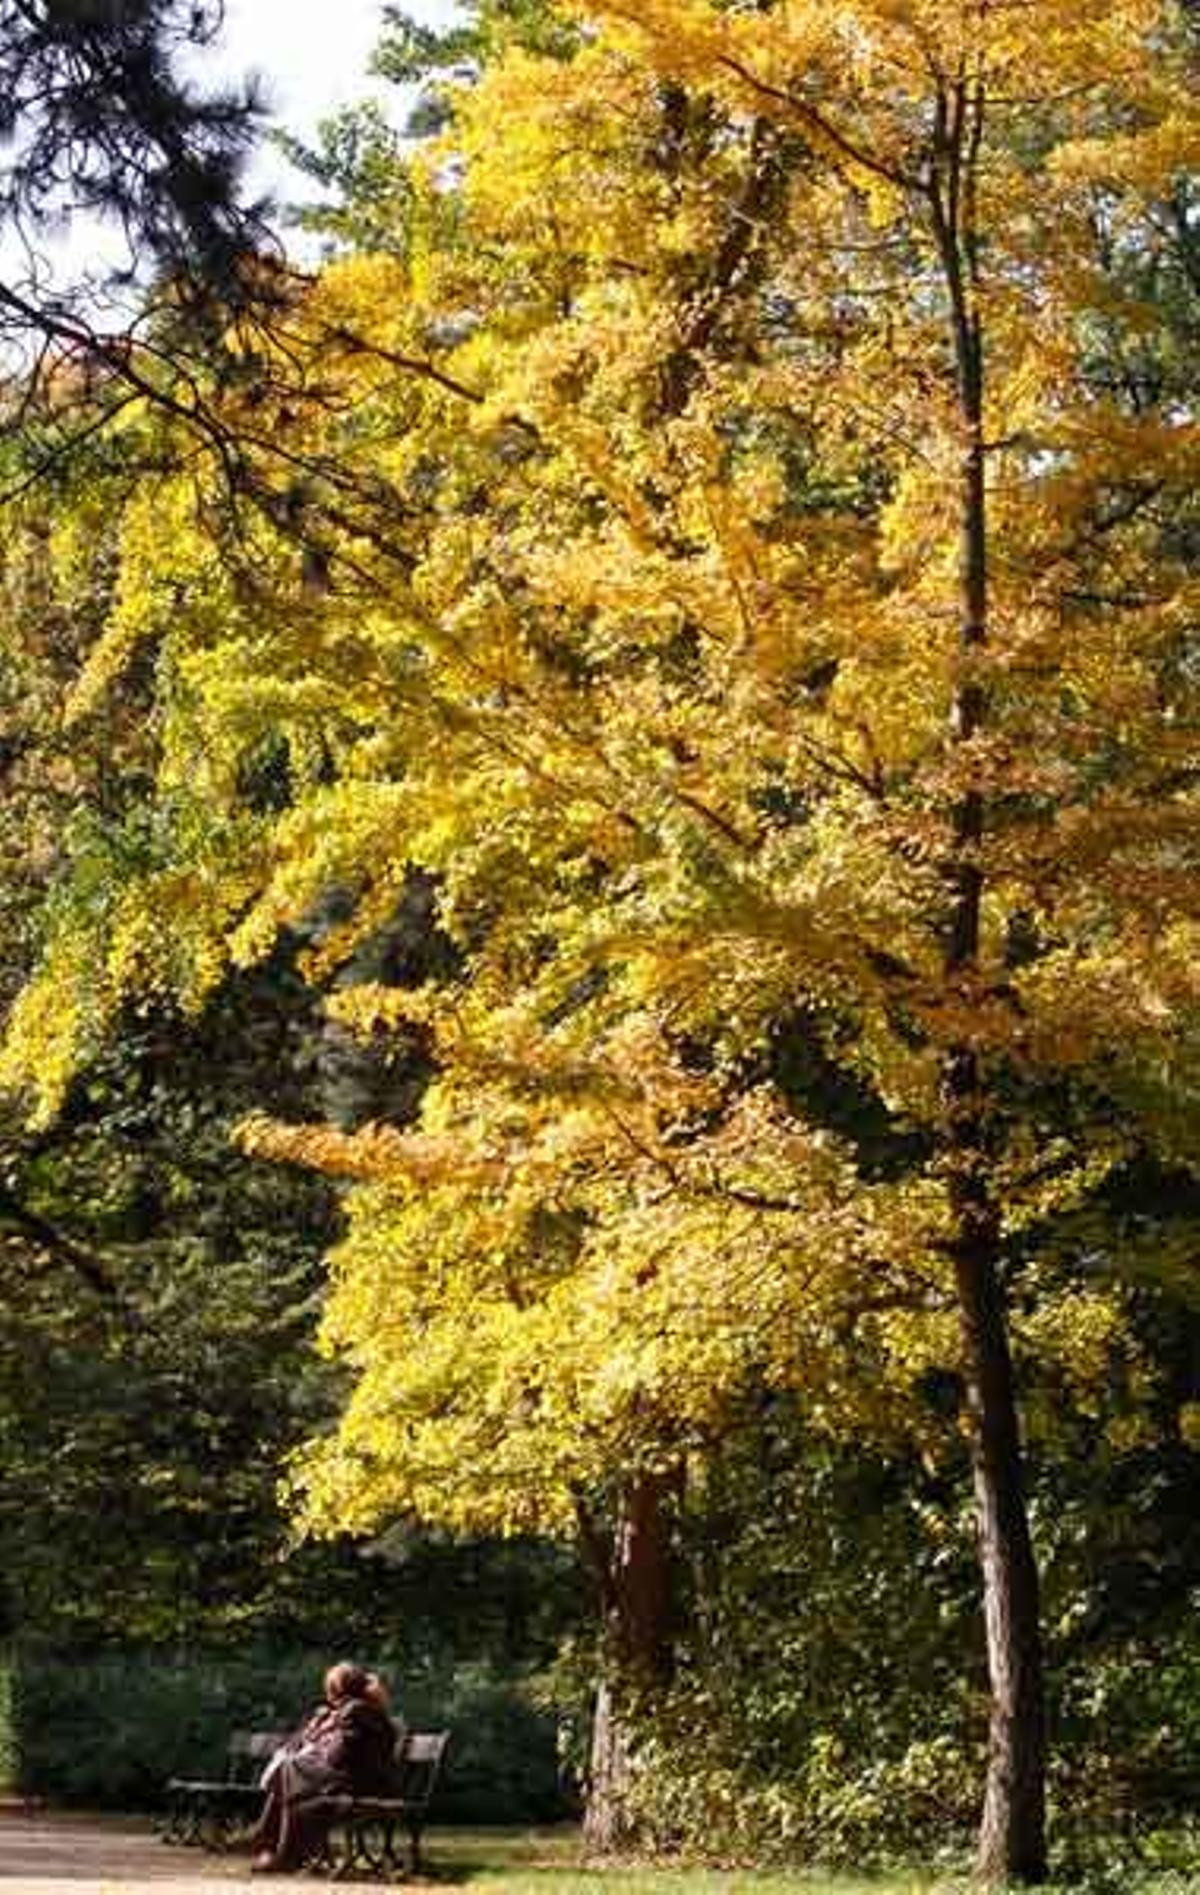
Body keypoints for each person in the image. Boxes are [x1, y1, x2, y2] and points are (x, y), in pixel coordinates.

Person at [251, 1661, 400, 1873]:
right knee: (291, 1774)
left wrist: (322, 1740)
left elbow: (338, 1757)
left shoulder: (353, 1710)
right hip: (364, 1781)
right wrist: (320, 1733)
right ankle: (278, 1849)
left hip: (357, 1784)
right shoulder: (365, 1708)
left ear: (335, 1690)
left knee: (290, 1770)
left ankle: (277, 1849)